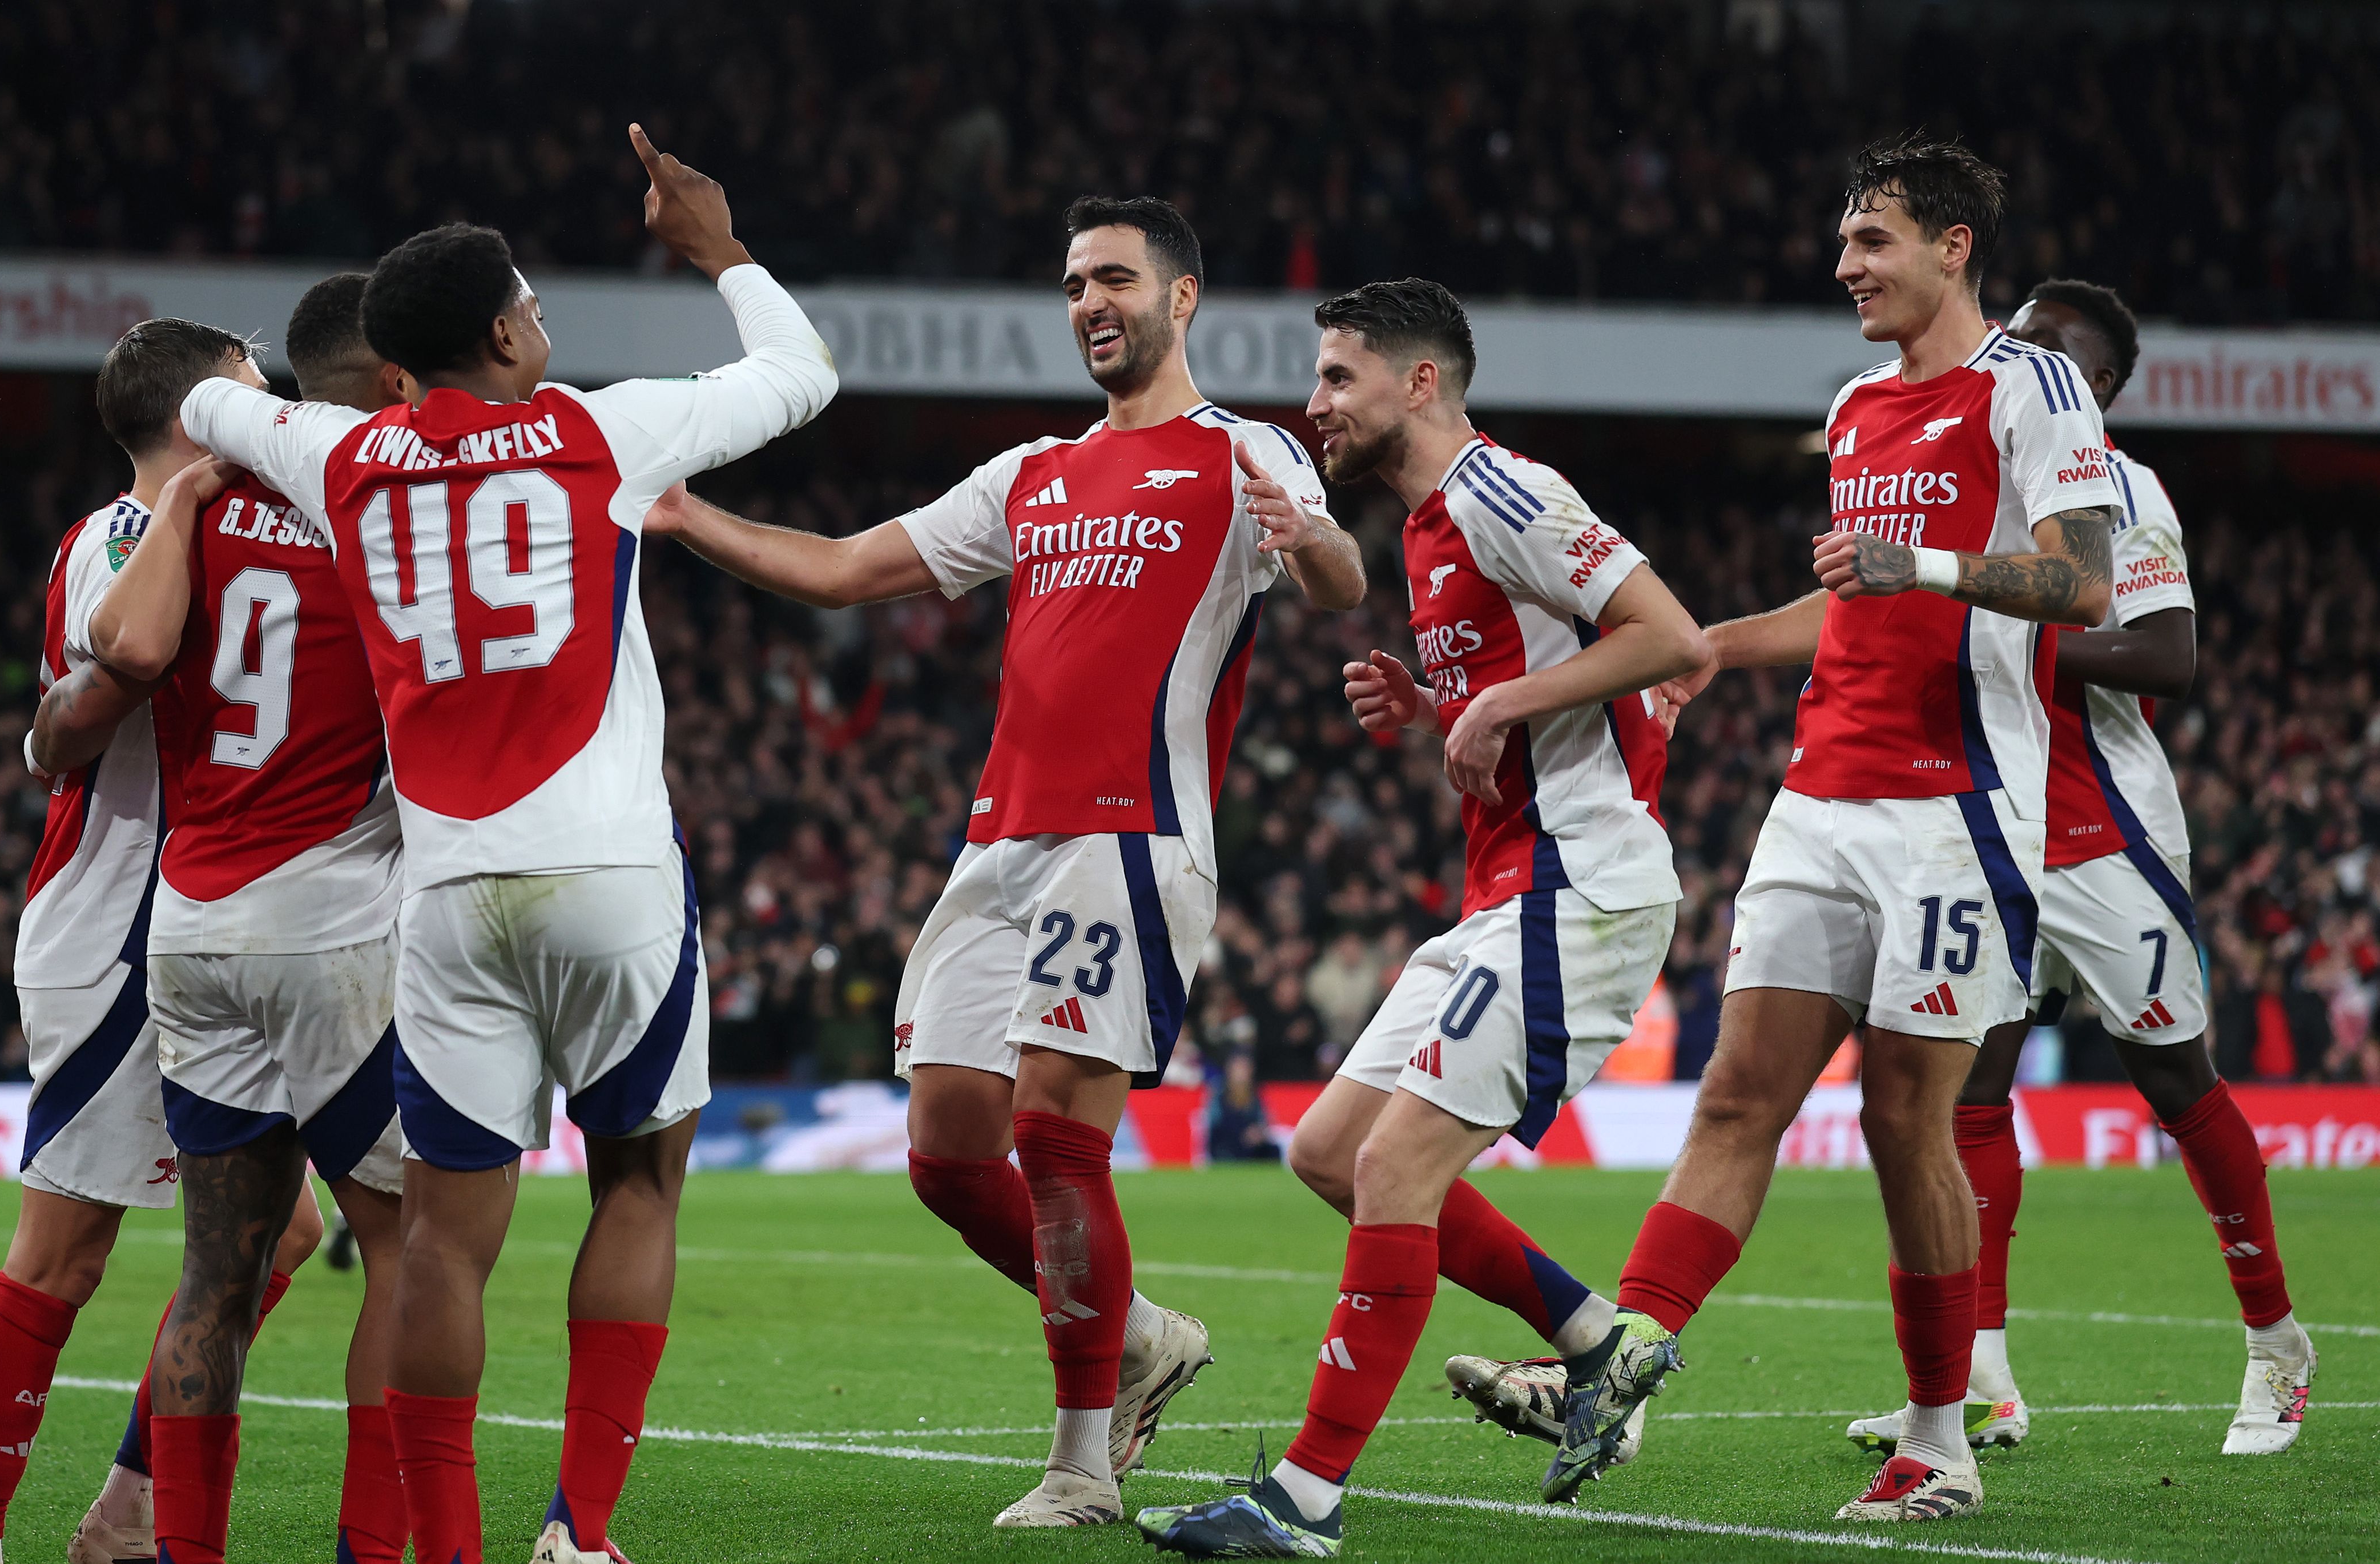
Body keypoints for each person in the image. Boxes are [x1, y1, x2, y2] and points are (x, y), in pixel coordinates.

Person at [645, 194, 1368, 1529]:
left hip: (1132, 833)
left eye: (1114, 279)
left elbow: (1334, 582)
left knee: (1050, 1132)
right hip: (1000, 840)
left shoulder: (1239, 453)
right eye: (1075, 283)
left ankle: (1080, 1463)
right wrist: (692, 522)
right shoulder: (1029, 472)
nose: (1091, 302)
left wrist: (1311, 534)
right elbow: (849, 568)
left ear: (1181, 296)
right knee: (942, 1149)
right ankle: (1142, 1331)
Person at [175, 127, 837, 1564]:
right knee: (640, 1180)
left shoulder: (338, 454)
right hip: (610, 877)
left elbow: (211, 409)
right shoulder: (603, 430)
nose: (545, 322)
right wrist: (717, 249)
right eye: (531, 305)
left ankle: (452, 1550)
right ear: (496, 330)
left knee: (443, 1241)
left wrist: (219, 420)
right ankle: (578, 1533)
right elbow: (801, 375)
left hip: (449, 894)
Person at [1550, 134, 2124, 1525]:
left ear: (1951, 247)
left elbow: (2087, 588)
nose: (1843, 264)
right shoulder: (1860, 402)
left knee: (1900, 1117)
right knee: (1737, 1092)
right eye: (1844, 240)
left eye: (1871, 240)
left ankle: (1938, 1437)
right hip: (1819, 796)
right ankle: (1617, 1359)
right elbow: (1847, 606)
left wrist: (1914, 561)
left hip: (1953, 810)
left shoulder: (2029, 383)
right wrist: (1710, 647)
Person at [1133, 279, 1706, 1558]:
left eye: (1338, 376)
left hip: (1579, 887)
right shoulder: (1424, 528)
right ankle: (1596, 1340)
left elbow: (1669, 638)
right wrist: (1439, 700)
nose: (1314, 399)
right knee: (1330, 1150)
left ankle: (1302, 1498)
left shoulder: (1500, 490)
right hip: (1506, 888)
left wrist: (1502, 704)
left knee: (1394, 1169)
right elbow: (1553, 687)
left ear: (1419, 383)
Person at [1842, 278, 2313, 1461]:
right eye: (2015, 332)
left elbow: (2166, 653)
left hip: (2102, 834)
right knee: (1969, 1093)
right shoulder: (1964, 465)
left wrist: (1982, 623)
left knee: (2173, 1081)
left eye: (2046, 346)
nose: (2014, 351)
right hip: (1984, 825)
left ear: (2091, 386)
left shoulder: (2117, 485)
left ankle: (2275, 1343)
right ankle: (1983, 1374)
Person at [0, 321, 324, 1564]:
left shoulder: (224, 532)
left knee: (284, 1229)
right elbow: (106, 685)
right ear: (201, 412)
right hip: (119, 927)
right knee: (62, 1250)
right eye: (255, 391)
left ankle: (127, 1507)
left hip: (203, 917)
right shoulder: (117, 539)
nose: (274, 410)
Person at [74, 274, 418, 1564]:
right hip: (330, 923)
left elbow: (128, 648)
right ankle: (373, 1551)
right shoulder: (375, 501)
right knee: (401, 1248)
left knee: (217, 1271)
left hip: (195, 922)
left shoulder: (201, 504)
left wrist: (179, 501)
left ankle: (185, 1554)